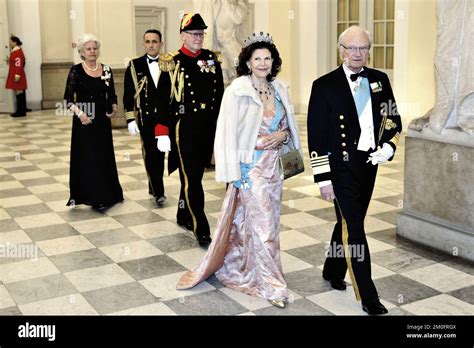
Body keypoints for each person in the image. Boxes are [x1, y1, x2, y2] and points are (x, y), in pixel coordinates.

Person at [176, 33, 303, 309]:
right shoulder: (238, 90)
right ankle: (272, 286)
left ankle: (240, 269)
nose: (262, 63)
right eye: (257, 58)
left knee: (254, 224)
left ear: (273, 61)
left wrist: (282, 137)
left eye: (267, 58)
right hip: (250, 167)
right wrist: (235, 169)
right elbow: (227, 132)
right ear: (247, 61)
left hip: (274, 168)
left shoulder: (279, 88)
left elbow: (287, 127)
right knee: (264, 227)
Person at [307, 26, 402, 315]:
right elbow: (317, 135)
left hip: (368, 165)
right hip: (340, 167)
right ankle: (368, 296)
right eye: (352, 48)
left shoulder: (379, 80)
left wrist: (389, 146)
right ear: (341, 50)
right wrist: (323, 178)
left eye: (363, 48)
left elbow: (392, 117)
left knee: (349, 221)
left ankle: (332, 268)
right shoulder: (323, 85)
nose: (358, 53)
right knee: (356, 229)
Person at [156, 13, 224, 245]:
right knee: (192, 177)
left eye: (202, 33)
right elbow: (161, 99)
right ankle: (201, 227)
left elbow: (220, 95)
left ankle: (183, 213)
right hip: (184, 128)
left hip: (208, 127)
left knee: (192, 175)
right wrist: (161, 131)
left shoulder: (211, 58)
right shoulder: (171, 61)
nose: (199, 38)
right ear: (183, 35)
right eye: (194, 34)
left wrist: (222, 126)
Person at [64, 33, 123, 211]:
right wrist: (80, 114)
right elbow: (67, 100)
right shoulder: (76, 70)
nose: (92, 51)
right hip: (84, 120)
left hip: (102, 121)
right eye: (88, 49)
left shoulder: (106, 69)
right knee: (88, 157)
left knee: (103, 155)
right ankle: (91, 196)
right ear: (81, 52)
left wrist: (113, 106)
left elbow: (111, 93)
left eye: (95, 48)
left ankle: (108, 193)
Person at [123, 29, 171, 206]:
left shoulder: (170, 63)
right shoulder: (134, 66)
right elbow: (128, 95)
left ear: (161, 44)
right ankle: (159, 190)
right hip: (147, 119)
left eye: (155, 41)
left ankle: (154, 184)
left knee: (164, 153)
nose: (151, 45)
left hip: (168, 118)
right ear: (144, 44)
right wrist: (130, 119)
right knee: (152, 155)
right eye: (148, 41)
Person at [6, 36, 28, 117]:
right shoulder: (15, 51)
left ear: (15, 42)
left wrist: (17, 75)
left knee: (19, 93)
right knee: (18, 93)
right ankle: (20, 111)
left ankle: (21, 111)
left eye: (11, 41)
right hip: (16, 74)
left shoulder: (17, 52)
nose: (10, 43)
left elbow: (19, 64)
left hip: (17, 75)